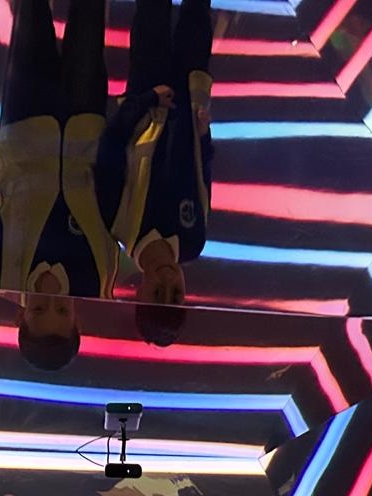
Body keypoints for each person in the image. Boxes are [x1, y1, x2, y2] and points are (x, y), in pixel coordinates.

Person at [0, 0, 118, 371]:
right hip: (84, 124)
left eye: (40, 310)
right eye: (62, 311)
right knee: (89, 21)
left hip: (25, 121)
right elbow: (111, 202)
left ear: (20, 317)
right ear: (77, 318)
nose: (51, 300)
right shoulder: (96, 278)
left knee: (31, 17)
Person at [95, 0, 214, 347]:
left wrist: (146, 99)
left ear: (139, 292)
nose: (169, 283)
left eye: (158, 294)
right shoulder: (193, 241)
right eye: (176, 294)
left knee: (152, 11)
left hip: (148, 88)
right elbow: (203, 176)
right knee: (197, 14)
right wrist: (204, 134)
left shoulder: (118, 223)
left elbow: (111, 143)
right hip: (190, 99)